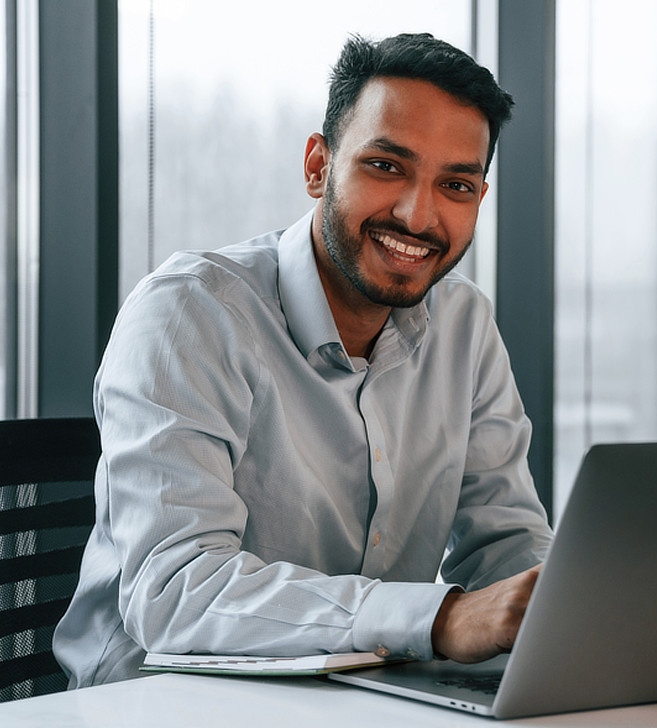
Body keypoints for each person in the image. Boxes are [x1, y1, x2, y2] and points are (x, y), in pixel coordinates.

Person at [53, 32, 553, 688]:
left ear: (477, 202)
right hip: (160, 703)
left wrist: (560, 612)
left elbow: (508, 547)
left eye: (455, 184)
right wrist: (438, 619)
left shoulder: (465, 325)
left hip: (361, 701)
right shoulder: (189, 314)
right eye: (386, 166)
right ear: (319, 166)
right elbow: (175, 591)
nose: (417, 213)